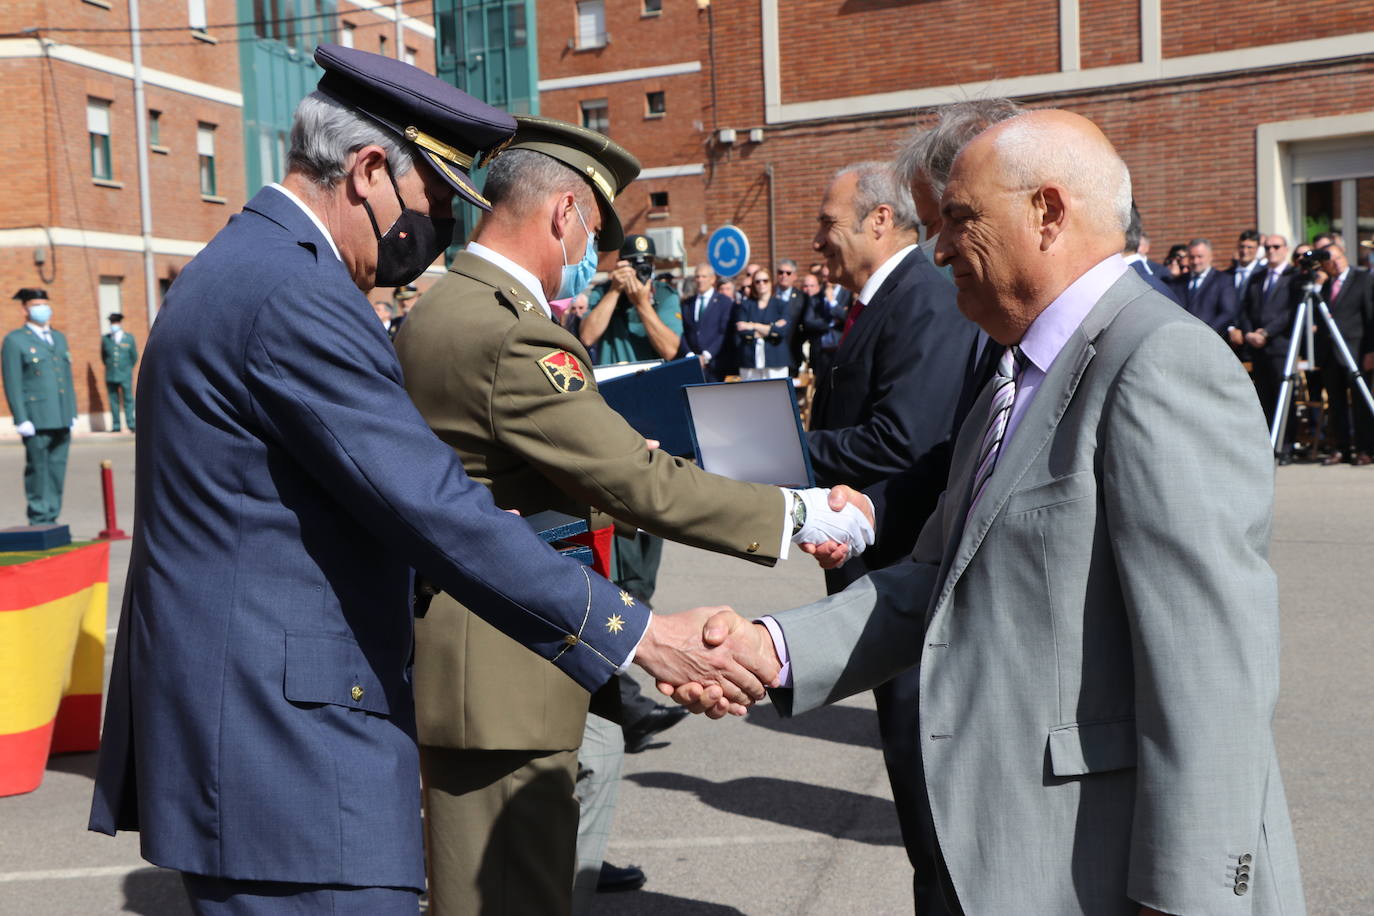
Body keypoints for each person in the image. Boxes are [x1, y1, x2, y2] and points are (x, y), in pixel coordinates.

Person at [86, 45, 772, 915]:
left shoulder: (248, 264)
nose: (440, 228)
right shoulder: (296, 295)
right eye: (438, 202)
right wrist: (641, 635)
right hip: (291, 764)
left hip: (257, 744)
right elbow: (433, 510)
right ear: (370, 171)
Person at [684, 109, 1306, 916]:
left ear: (1049, 212)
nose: (938, 249)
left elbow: (1213, 676)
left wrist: (1188, 898)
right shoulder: (1015, 378)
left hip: (1109, 874)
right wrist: (767, 649)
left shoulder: (1161, 364)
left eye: (960, 220)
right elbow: (933, 580)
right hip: (1013, 859)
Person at [394, 116, 872, 916]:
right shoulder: (515, 336)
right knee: (514, 898)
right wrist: (798, 514)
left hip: (475, 664)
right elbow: (635, 482)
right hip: (505, 678)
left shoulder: (440, 313)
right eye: (592, 229)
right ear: (562, 214)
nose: (592, 253)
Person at [2, 288, 76, 524]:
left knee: (56, 468)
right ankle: (39, 516)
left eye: (45, 304)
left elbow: (66, 377)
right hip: (36, 418)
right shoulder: (15, 340)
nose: (42, 309)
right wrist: (20, 418)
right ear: (24, 309)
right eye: (36, 305)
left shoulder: (58, 338)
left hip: (61, 415)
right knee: (38, 469)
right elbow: (12, 381)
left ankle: (53, 515)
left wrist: (71, 411)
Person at [579, 234, 681, 364]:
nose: (640, 269)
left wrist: (642, 303)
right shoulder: (604, 292)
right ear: (620, 264)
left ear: (653, 264)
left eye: (647, 262)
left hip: (653, 377)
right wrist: (614, 290)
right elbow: (587, 337)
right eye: (634, 264)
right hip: (615, 378)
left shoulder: (664, 294)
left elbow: (670, 351)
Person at [1316, 242, 1374, 465]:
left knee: (1360, 401)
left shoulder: (1362, 279)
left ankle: (1365, 449)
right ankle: (1341, 448)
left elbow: (1370, 317)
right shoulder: (1324, 286)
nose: (1335, 263)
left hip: (1356, 351)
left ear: (1344, 256)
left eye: (1338, 257)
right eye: (1329, 260)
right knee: (1336, 402)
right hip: (1331, 353)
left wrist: (1370, 350)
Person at [1167, 237, 1239, 334]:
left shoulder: (1223, 280)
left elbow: (1228, 312)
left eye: (1200, 257)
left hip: (1211, 338)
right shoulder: (1179, 282)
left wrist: (1207, 332)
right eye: (1192, 257)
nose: (1195, 261)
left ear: (1210, 257)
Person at [730, 268, 791, 380]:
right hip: (750, 359)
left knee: (777, 395)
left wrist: (753, 325)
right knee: (751, 396)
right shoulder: (746, 305)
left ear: (771, 282)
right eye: (757, 281)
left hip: (775, 359)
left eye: (765, 280)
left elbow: (781, 331)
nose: (761, 284)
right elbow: (741, 330)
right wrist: (770, 328)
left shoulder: (781, 305)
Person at [680, 263, 736, 380]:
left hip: (716, 366)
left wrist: (706, 356)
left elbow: (723, 332)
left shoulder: (724, 302)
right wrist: (690, 355)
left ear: (712, 279)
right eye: (697, 277)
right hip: (693, 364)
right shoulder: (687, 303)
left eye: (704, 277)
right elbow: (683, 331)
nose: (700, 280)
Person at [101, 312, 138, 432]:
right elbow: (104, 357)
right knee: (113, 400)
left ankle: (131, 423)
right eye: (112, 323)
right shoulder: (106, 339)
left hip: (125, 374)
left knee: (128, 399)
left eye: (115, 322)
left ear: (120, 323)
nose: (114, 325)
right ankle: (116, 425)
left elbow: (134, 356)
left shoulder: (128, 338)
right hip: (111, 374)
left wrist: (127, 368)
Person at [1228, 229, 1264, 293]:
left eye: (1249, 247)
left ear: (1257, 248)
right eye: (1242, 247)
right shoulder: (1227, 275)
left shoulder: (1264, 273)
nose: (1245, 251)